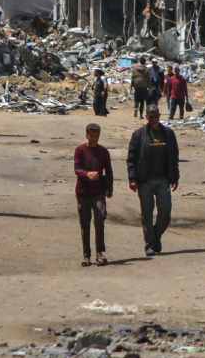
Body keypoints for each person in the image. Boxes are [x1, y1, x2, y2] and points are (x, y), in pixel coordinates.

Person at [127, 105, 180, 257]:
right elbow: (131, 159)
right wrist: (132, 178)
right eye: (150, 116)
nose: (154, 119)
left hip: (163, 180)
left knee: (165, 213)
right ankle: (149, 244)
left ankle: (155, 236)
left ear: (159, 115)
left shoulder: (168, 134)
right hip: (144, 181)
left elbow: (174, 157)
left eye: (155, 116)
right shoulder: (138, 135)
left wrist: (175, 176)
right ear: (146, 117)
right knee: (147, 215)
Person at [73, 124, 114, 267]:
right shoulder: (80, 150)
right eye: (91, 135)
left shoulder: (103, 152)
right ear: (86, 135)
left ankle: (100, 253)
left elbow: (109, 171)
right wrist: (87, 174)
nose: (94, 138)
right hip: (83, 193)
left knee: (99, 222)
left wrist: (109, 189)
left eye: (96, 135)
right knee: (85, 225)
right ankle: (86, 255)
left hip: (98, 192)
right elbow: (77, 169)